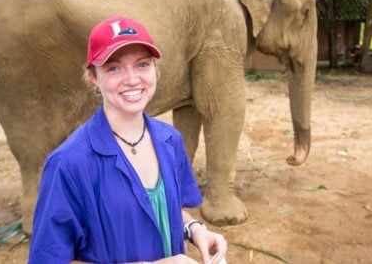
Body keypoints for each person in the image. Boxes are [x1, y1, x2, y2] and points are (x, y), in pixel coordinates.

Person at [28, 16, 227, 264]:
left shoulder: (170, 140)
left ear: (155, 68)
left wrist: (195, 229)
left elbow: (165, 210)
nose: (132, 79)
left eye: (142, 64)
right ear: (93, 77)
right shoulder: (68, 164)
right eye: (114, 68)